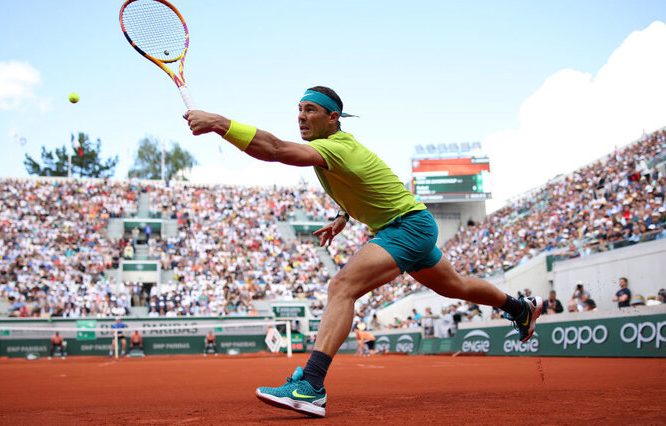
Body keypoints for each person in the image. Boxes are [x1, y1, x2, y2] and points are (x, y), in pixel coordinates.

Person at [186, 86, 543, 418]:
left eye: (310, 109)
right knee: (458, 287)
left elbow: (276, 150)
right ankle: (519, 308)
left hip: (406, 226)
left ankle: (311, 385)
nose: (301, 116)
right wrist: (343, 216)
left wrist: (218, 123)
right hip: (410, 224)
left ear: (333, 118)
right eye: (298, 110)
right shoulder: (335, 149)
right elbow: (361, 184)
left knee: (342, 287)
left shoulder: (336, 148)